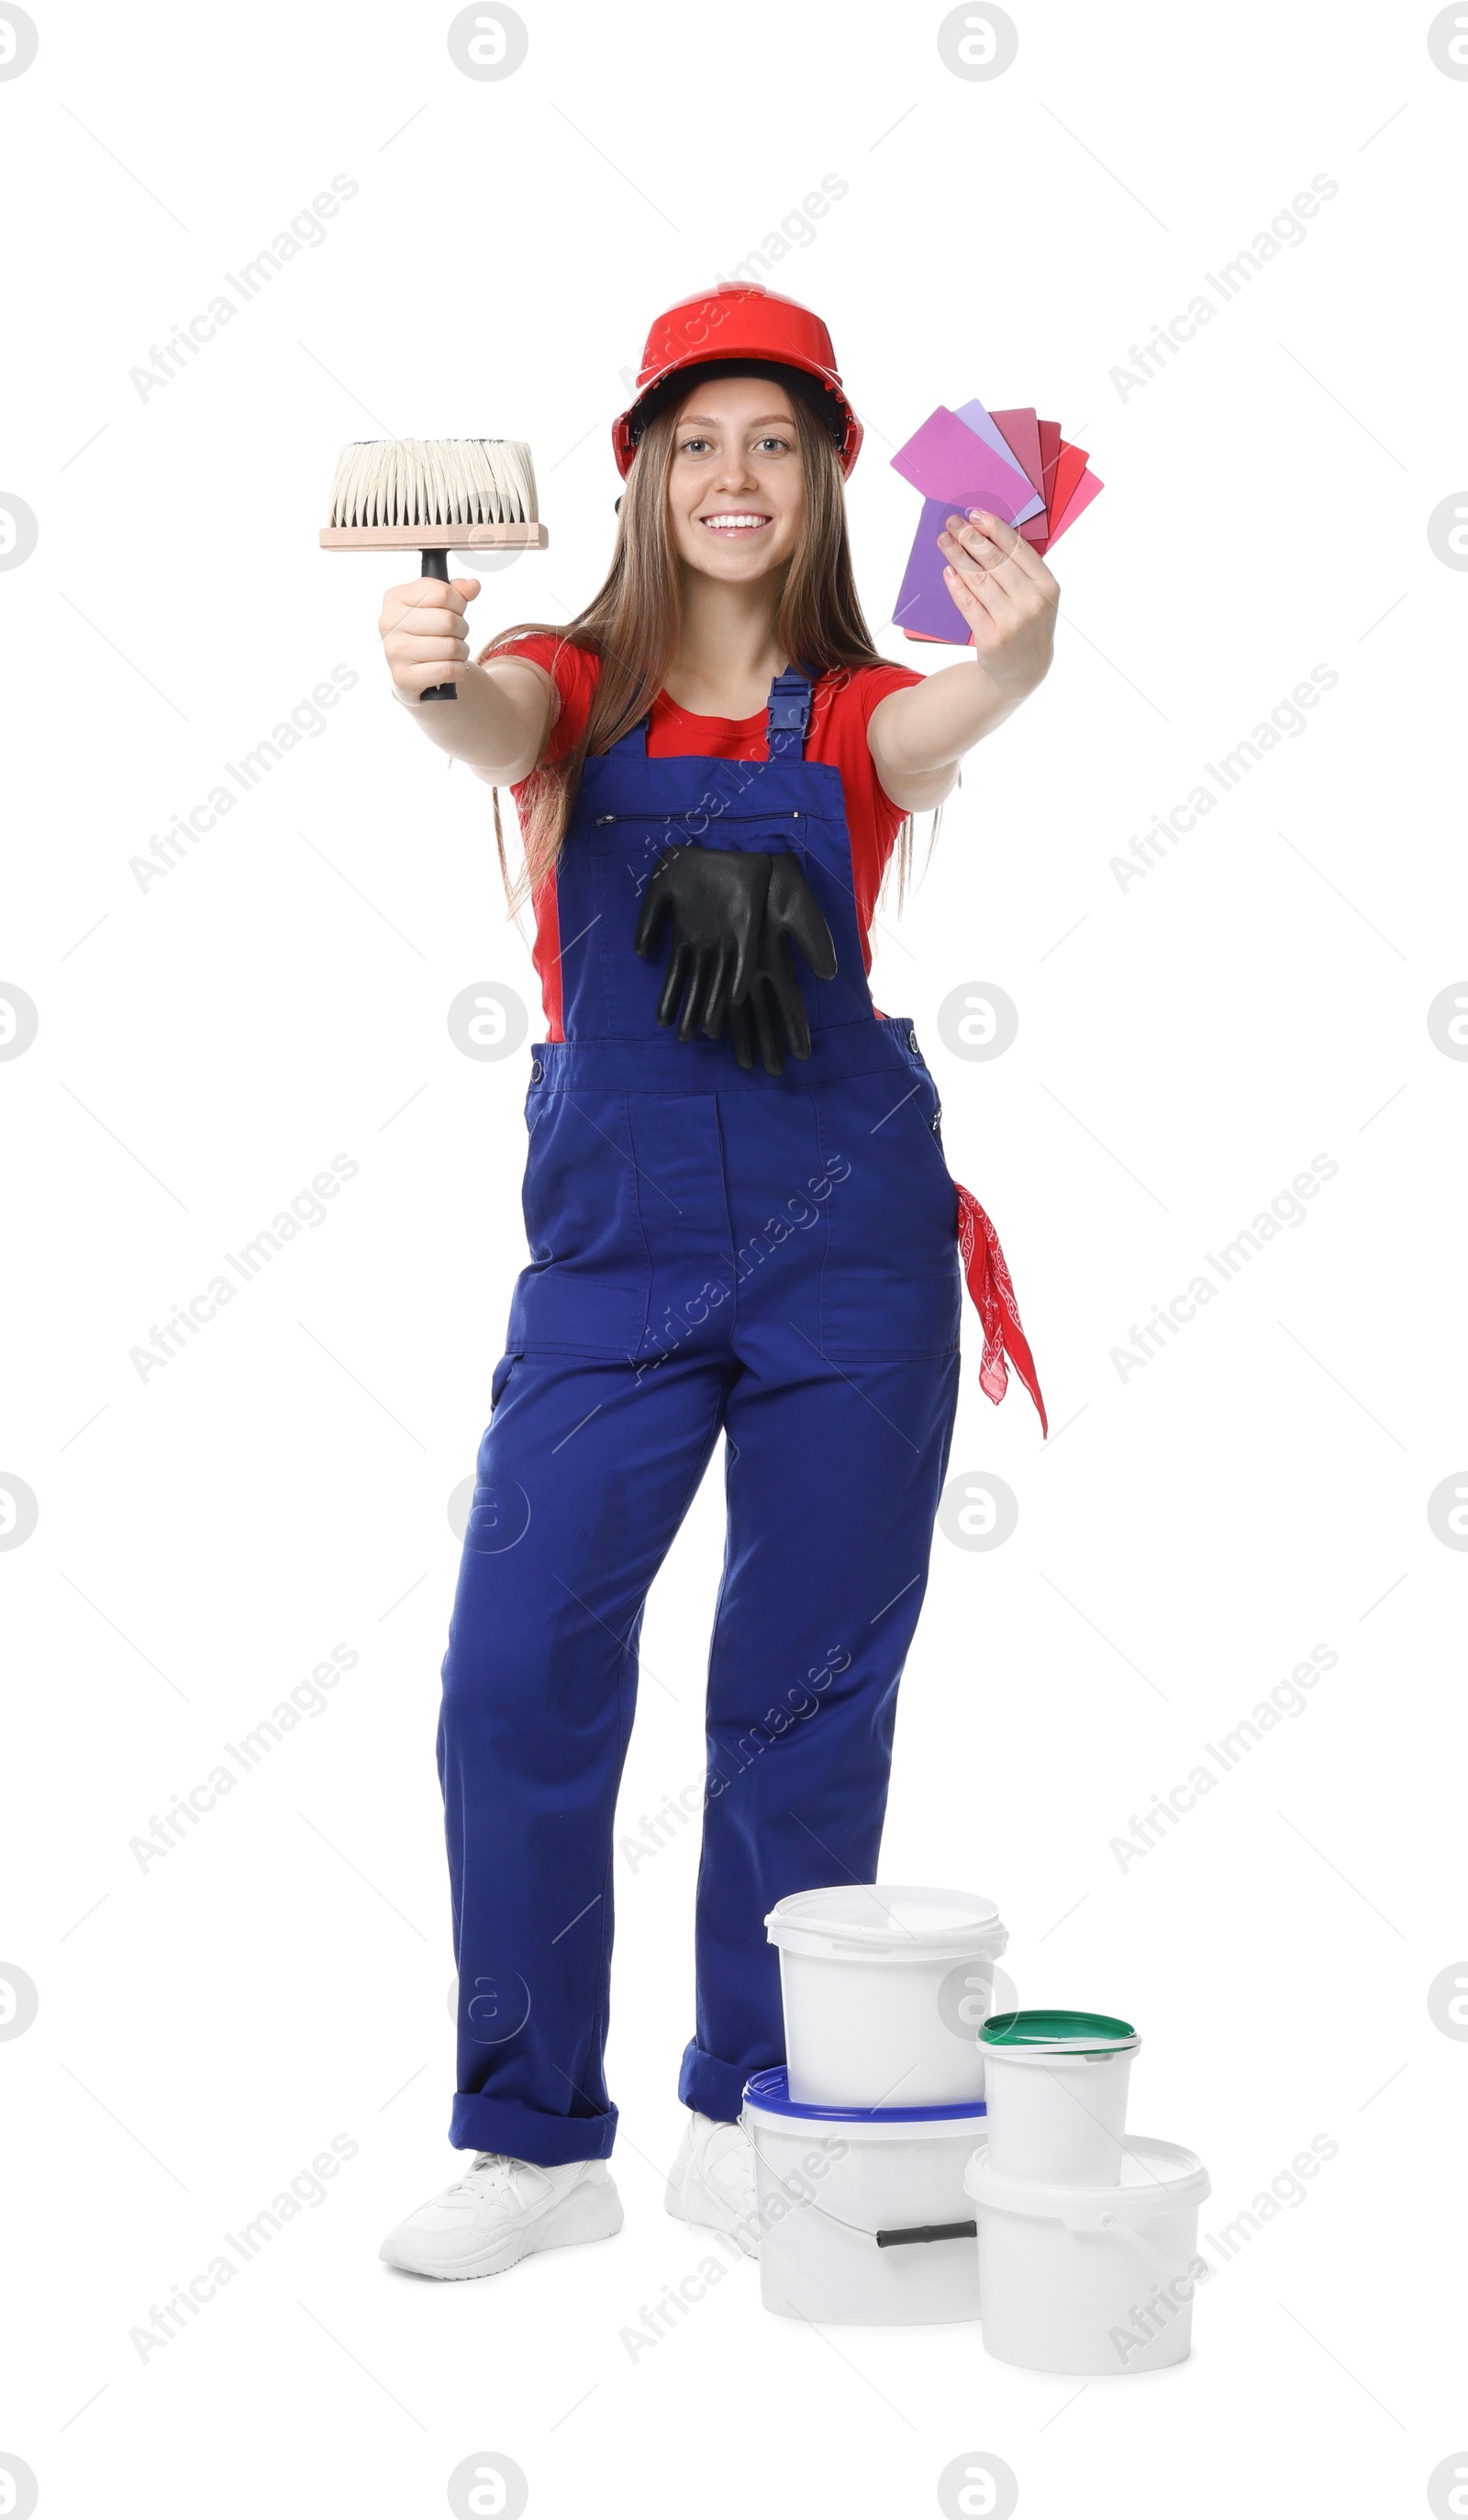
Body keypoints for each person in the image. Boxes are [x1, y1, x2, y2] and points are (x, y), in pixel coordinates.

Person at [375, 287, 1055, 2281]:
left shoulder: (856, 715)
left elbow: (939, 727)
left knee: (799, 1699)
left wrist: (1015, 660)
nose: (734, 476)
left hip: (847, 1260)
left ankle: (748, 2113)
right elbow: (480, 723)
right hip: (612, 1256)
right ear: (643, 475)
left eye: (773, 440)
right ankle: (530, 2141)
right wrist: (426, 679)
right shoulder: (559, 688)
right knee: (513, 1672)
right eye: (697, 442)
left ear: (826, 475)